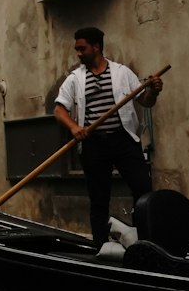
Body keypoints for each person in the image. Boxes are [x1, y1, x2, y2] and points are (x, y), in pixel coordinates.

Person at [54, 26, 163, 250]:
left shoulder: (122, 73)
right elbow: (59, 110)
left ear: (96, 47)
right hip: (94, 144)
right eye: (77, 49)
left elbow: (146, 101)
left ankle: (144, 242)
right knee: (99, 198)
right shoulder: (75, 78)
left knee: (143, 187)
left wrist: (154, 90)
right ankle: (100, 246)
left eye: (81, 48)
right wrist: (75, 128)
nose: (78, 53)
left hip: (123, 140)